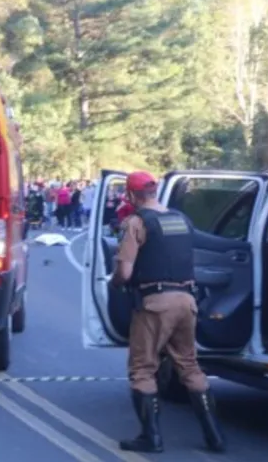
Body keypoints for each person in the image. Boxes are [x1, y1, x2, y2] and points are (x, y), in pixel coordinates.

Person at [109, 171, 225, 454]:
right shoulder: (182, 220)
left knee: (142, 368)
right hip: (187, 302)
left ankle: (151, 438)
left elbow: (124, 271)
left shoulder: (136, 223)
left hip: (154, 305)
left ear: (132, 195)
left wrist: (114, 284)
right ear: (155, 191)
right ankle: (214, 437)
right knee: (189, 365)